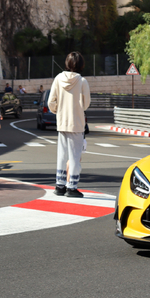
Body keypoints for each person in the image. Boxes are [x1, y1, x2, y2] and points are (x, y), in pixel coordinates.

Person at [48, 51, 91, 198]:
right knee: (74, 156)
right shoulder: (82, 81)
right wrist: (78, 109)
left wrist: (58, 111)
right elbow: (86, 104)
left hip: (62, 123)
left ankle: (59, 185)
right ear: (81, 64)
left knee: (61, 155)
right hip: (76, 123)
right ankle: (71, 187)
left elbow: (50, 102)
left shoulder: (58, 78)